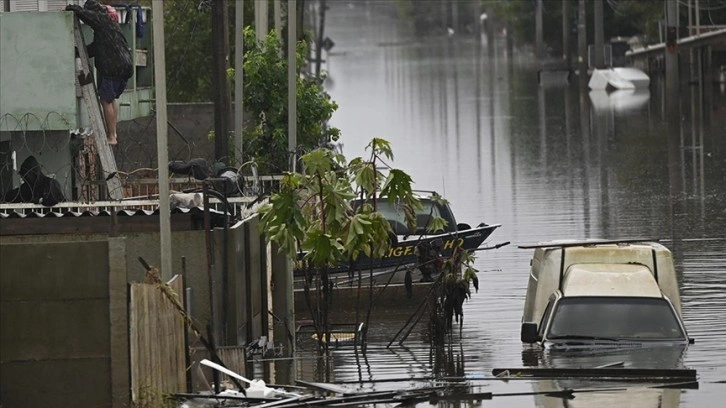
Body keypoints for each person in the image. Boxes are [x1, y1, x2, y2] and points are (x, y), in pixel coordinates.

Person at [66, 0, 133, 145]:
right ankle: (113, 132)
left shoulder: (102, 20)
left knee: (105, 100)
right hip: (125, 67)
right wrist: (77, 52)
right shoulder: (110, 27)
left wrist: (72, 8)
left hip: (113, 68)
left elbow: (87, 15)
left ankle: (112, 136)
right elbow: (96, 48)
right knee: (111, 100)